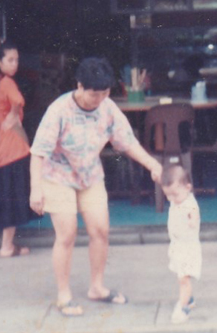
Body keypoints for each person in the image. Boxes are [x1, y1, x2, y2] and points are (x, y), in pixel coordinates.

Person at [29, 57, 163, 318]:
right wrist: (36, 188)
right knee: (67, 234)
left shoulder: (108, 107)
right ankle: (64, 294)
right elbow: (38, 152)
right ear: (79, 86)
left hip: (90, 175)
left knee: (100, 230)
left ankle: (97, 287)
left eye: (105, 93)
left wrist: (152, 164)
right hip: (57, 176)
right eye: (94, 93)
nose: (99, 99)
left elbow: (127, 142)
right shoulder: (59, 110)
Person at [0, 40, 35, 257]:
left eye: (16, 60)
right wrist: (14, 115)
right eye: (10, 60)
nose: (15, 64)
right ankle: (7, 246)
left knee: (1, 191)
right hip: (11, 146)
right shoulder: (7, 83)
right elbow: (18, 101)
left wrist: (10, 116)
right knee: (13, 194)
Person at [161, 164, 201, 325]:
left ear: (188, 188)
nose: (171, 199)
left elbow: (194, 214)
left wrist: (192, 220)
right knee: (181, 277)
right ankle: (189, 299)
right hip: (178, 246)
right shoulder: (178, 197)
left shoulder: (189, 203)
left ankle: (183, 307)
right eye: (167, 196)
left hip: (188, 249)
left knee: (184, 279)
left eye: (174, 195)